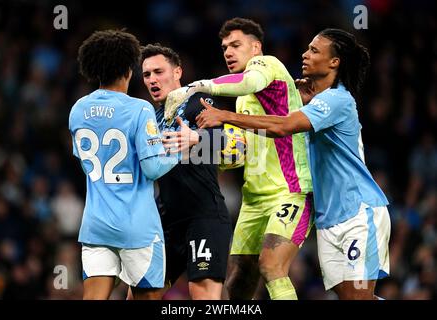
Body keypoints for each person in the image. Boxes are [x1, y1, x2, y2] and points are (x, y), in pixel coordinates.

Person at [196, 28, 391, 300]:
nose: (305, 54)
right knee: (352, 297)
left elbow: (283, 126)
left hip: (358, 211)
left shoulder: (338, 100)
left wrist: (224, 115)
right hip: (328, 217)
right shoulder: (315, 101)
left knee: (356, 297)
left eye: (314, 50)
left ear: (334, 62)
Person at [166, 17, 314, 300]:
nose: (228, 52)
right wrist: (195, 143)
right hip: (253, 200)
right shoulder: (244, 101)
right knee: (238, 283)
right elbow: (239, 152)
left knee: (271, 266)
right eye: (224, 48)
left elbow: (248, 81)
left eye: (236, 45)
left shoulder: (267, 66)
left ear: (256, 47)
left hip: (289, 192)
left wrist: (196, 86)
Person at [69, 30, 179, 300]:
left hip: (95, 225)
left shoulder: (78, 109)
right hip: (137, 228)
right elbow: (153, 169)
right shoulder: (139, 109)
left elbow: (83, 163)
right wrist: (177, 151)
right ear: (129, 69)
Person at [139, 43, 233, 300]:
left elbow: (223, 141)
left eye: (159, 72)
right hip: (167, 223)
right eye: (147, 75)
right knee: (141, 295)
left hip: (203, 217)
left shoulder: (197, 101)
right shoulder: (152, 118)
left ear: (178, 72)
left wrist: (196, 138)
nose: (152, 80)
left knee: (203, 297)